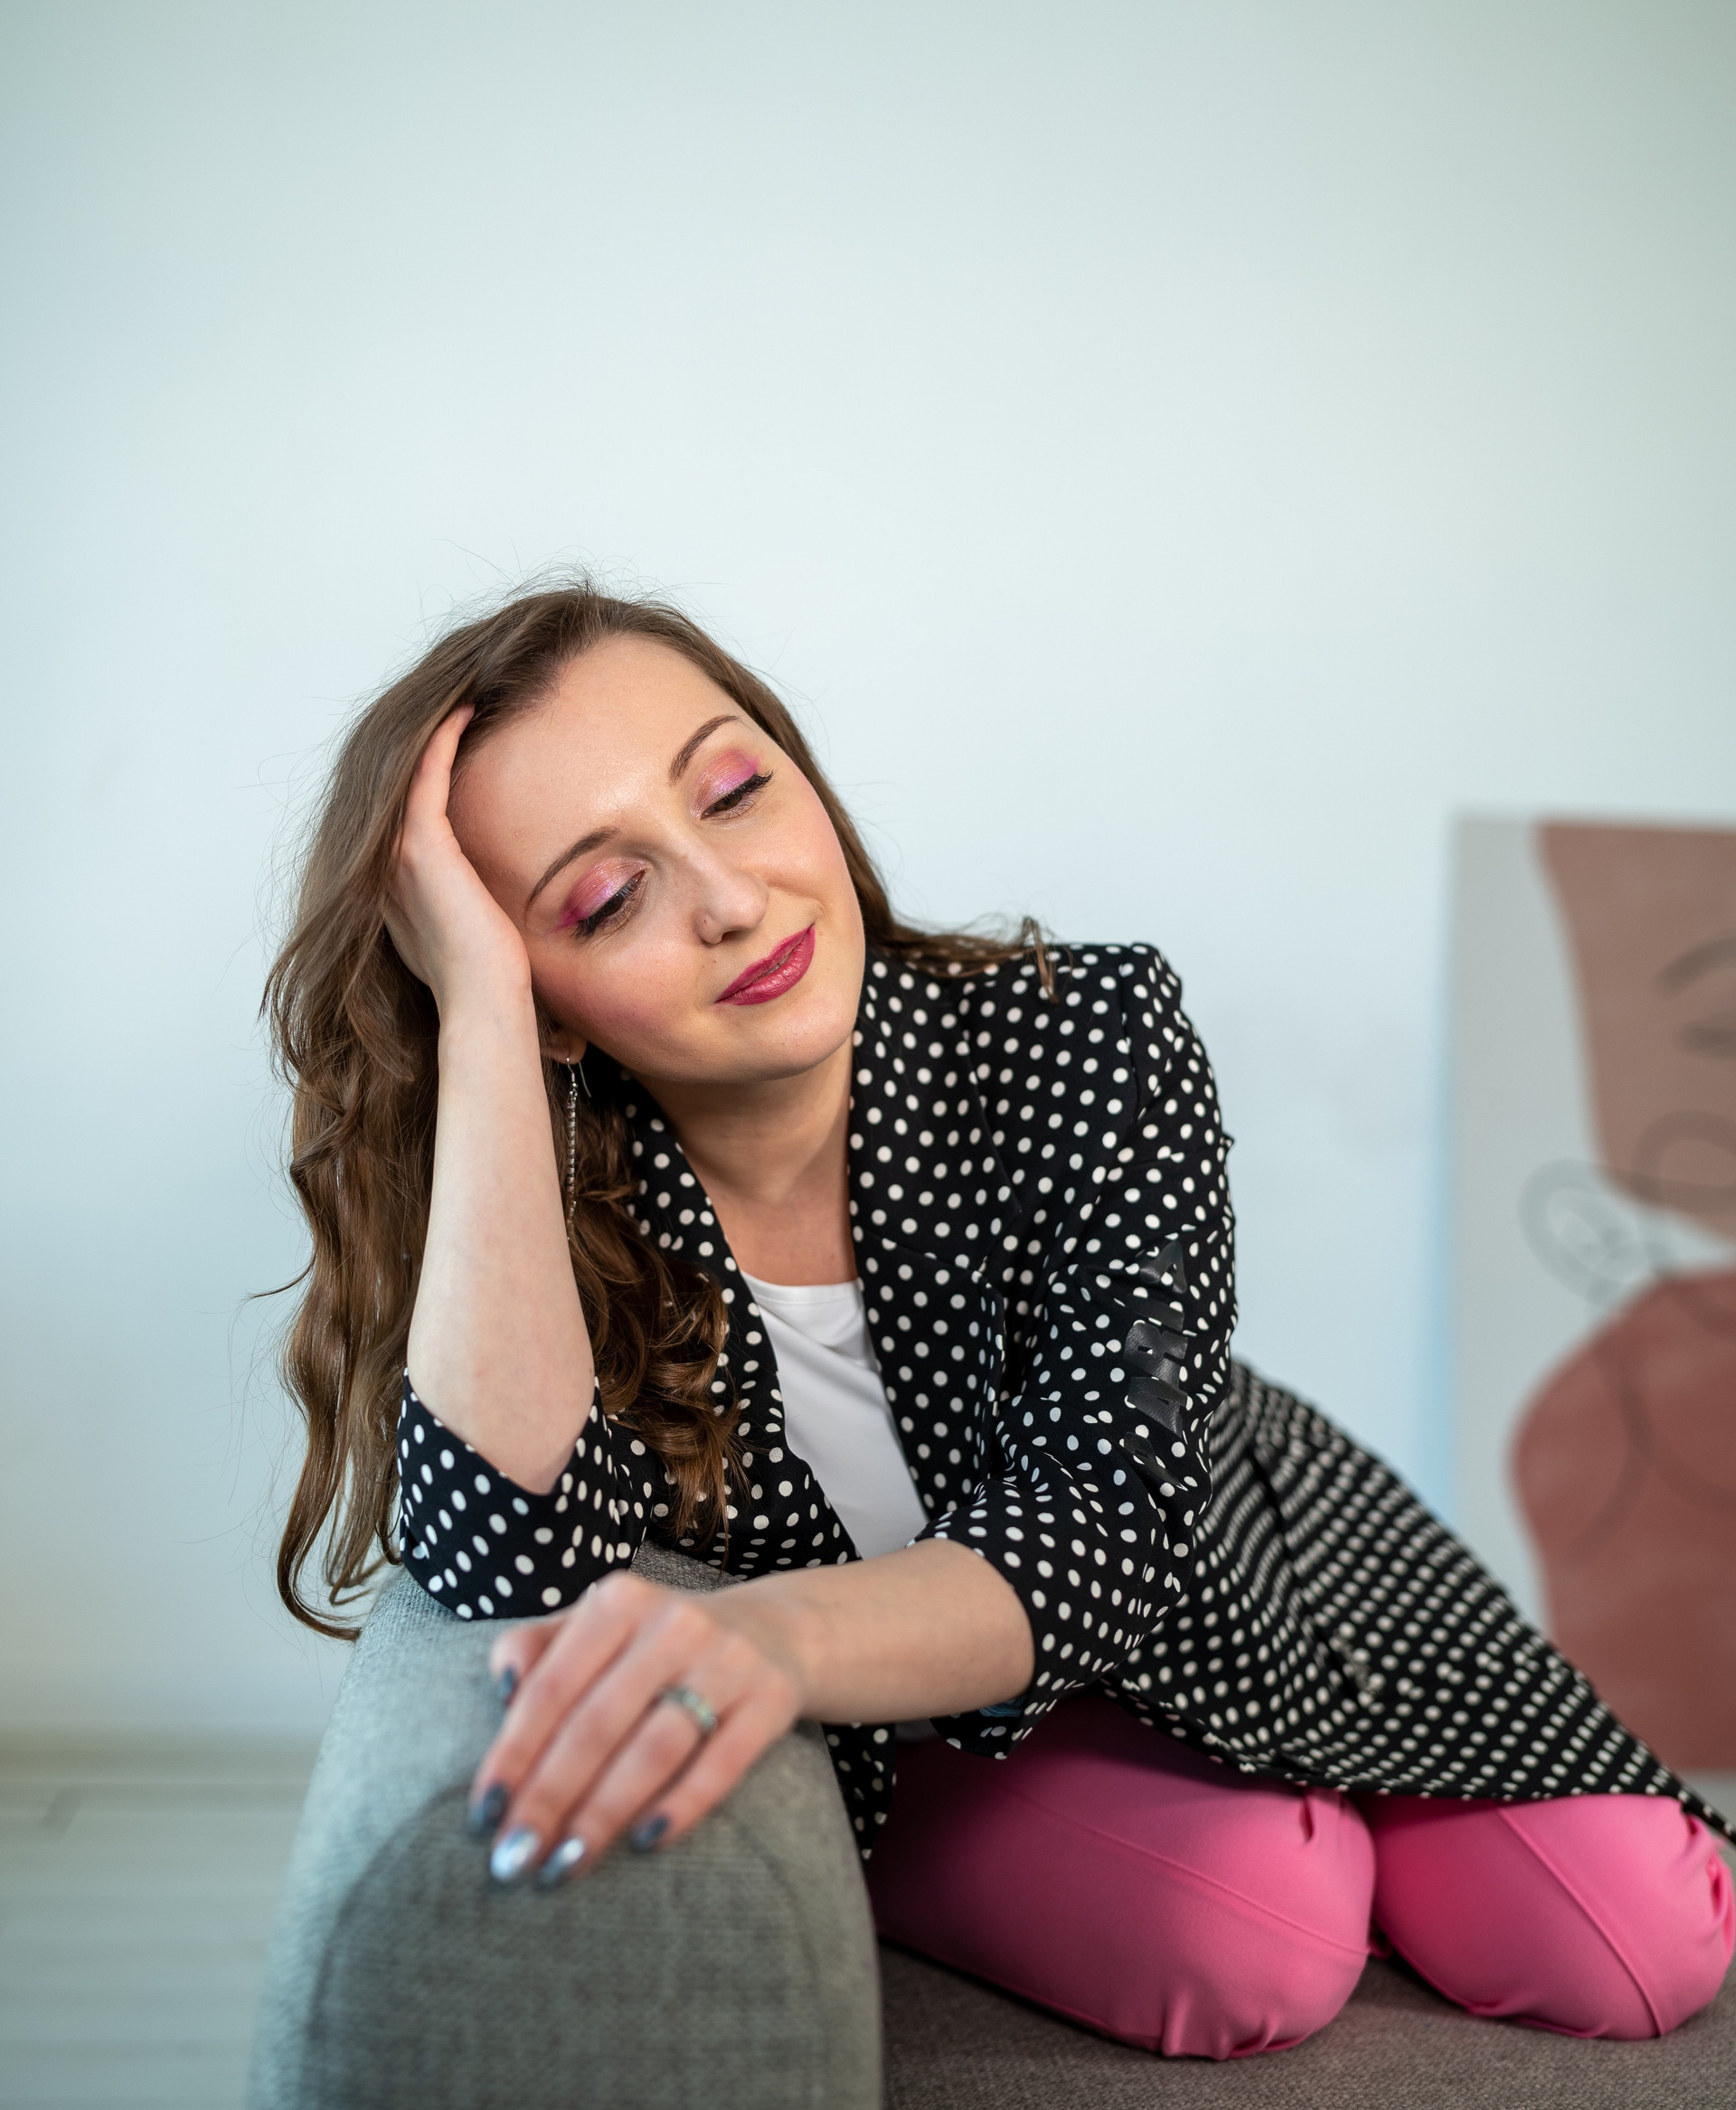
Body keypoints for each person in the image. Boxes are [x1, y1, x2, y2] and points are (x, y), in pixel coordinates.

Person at [266, 584, 1732, 2059]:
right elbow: (500, 1553)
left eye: (734, 791)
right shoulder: (548, 1225)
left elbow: (1108, 1509)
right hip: (924, 1711)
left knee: (1647, 1936)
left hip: (1243, 1571)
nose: (731, 900)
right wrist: (482, 1009)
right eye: (605, 900)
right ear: (552, 1000)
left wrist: (760, 1640)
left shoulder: (1091, 1031)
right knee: (1258, 1936)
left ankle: (1328, 1797)